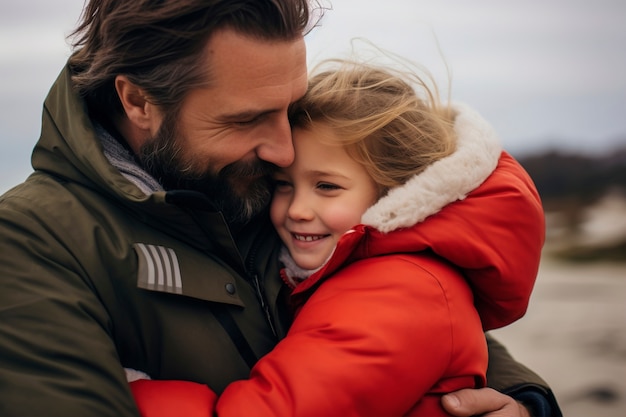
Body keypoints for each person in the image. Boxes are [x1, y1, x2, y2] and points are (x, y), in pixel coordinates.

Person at [0, 1, 561, 416]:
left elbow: (415, 314)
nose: (283, 150)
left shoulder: (268, 184)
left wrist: (522, 403)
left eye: (289, 109)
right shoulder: (32, 242)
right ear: (138, 101)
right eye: (245, 120)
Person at [127, 59, 553, 417]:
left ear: (397, 192)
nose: (297, 209)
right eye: (282, 184)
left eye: (327, 186)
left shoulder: (401, 292)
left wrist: (127, 395)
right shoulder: (372, 272)